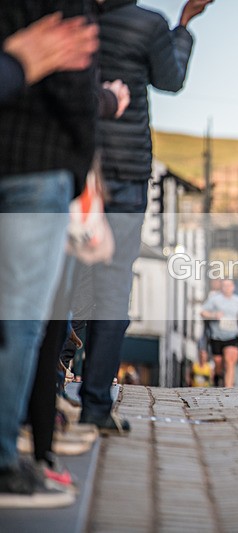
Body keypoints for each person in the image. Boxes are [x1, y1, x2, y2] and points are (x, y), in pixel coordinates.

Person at [76, 0, 214, 433]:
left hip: (77, 161)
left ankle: (50, 392)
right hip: (126, 170)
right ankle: (95, 406)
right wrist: (184, 26)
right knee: (114, 288)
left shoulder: (72, 16)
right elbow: (170, 79)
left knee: (63, 282)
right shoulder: (147, 24)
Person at [0, 0, 98, 509]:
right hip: (36, 164)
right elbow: (75, 87)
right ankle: (7, 462)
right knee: (21, 324)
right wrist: (79, 171)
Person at [201, 280, 238, 388]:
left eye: (229, 285)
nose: (227, 288)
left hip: (232, 335)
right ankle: (218, 376)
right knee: (218, 362)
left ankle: (228, 388)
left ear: (233, 287)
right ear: (221, 287)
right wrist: (214, 315)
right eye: (225, 285)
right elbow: (203, 312)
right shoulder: (214, 299)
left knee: (230, 361)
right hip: (216, 336)